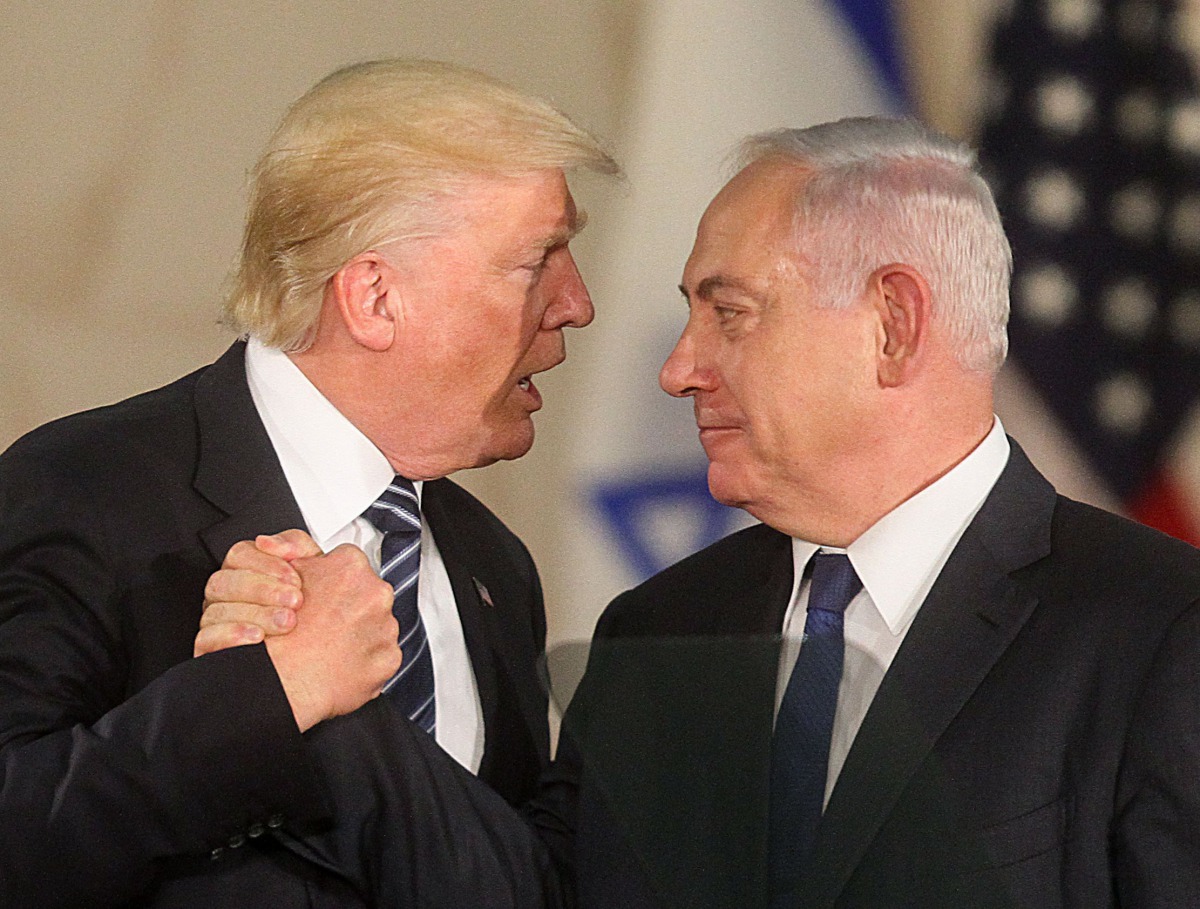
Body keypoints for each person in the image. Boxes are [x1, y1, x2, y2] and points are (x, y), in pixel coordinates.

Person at [203, 116, 1200, 908]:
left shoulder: (1159, 634)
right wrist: (327, 701)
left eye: (729, 313)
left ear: (894, 326)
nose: (681, 369)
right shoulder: (662, 630)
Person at [0, 58, 616, 908]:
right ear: (374, 298)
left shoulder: (493, 566)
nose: (576, 302)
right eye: (538, 259)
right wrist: (269, 694)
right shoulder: (86, 491)